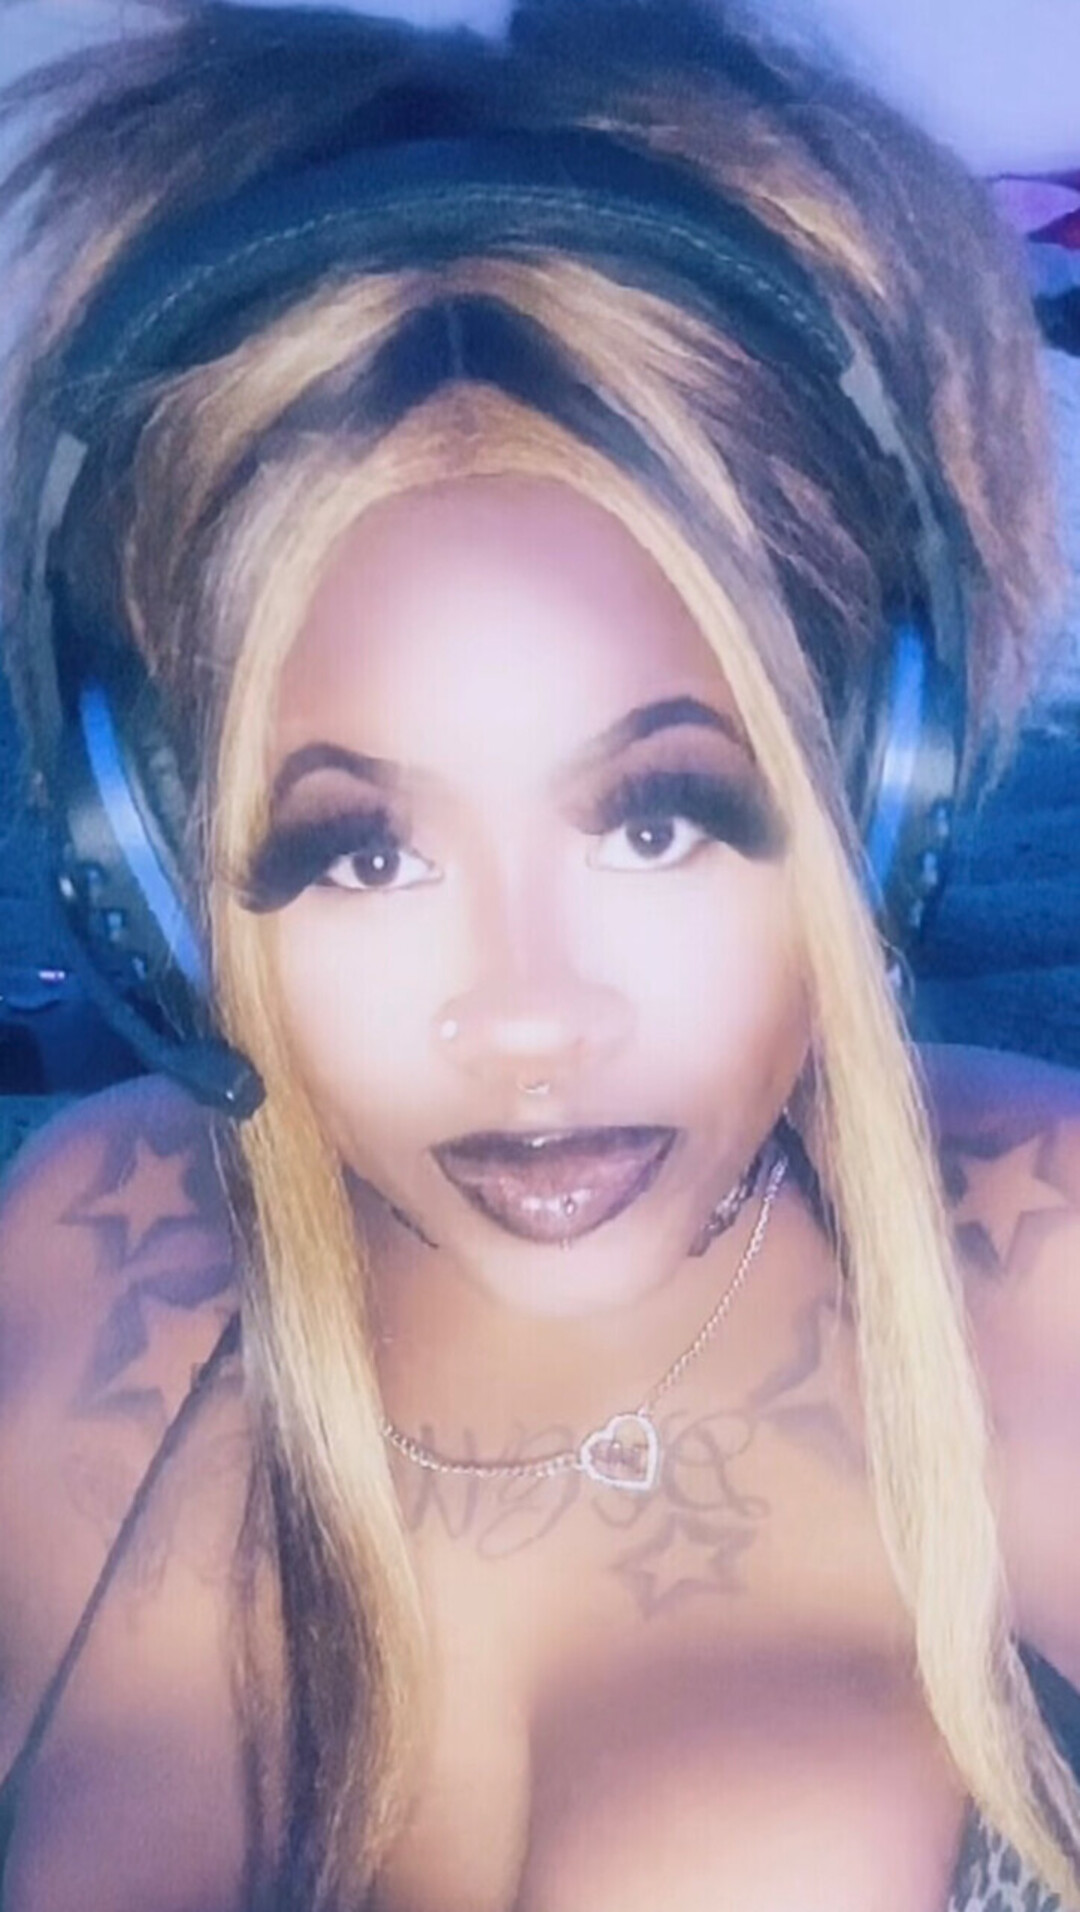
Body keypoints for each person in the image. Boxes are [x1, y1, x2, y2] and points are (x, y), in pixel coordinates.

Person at [0, 2, 1079, 1907]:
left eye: (656, 819)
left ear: (872, 797)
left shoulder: (1044, 1266)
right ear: (158, 880)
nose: (525, 1018)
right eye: (362, 851)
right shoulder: (95, 1251)